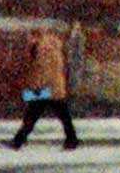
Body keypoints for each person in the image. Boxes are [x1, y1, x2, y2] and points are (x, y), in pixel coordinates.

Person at [7, 21, 79, 151]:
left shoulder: (41, 48)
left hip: (45, 89)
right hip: (55, 87)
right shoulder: (53, 45)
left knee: (33, 114)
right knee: (62, 116)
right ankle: (71, 140)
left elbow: (41, 71)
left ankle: (18, 141)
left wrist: (33, 90)